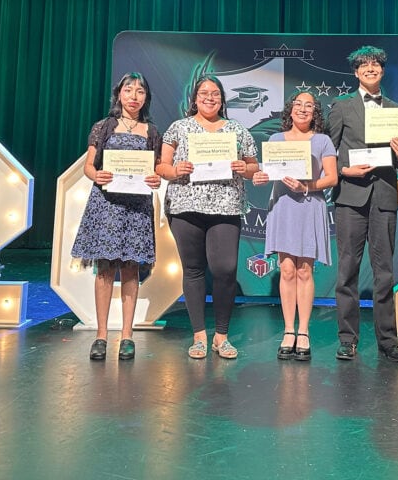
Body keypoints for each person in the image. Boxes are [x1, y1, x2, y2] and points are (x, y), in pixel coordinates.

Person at [155, 75, 259, 360]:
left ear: (222, 99)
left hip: (226, 205)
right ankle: (200, 336)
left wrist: (244, 168)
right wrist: (175, 171)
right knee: (193, 269)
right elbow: (161, 166)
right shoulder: (179, 128)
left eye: (215, 93)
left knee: (225, 268)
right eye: (204, 93)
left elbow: (254, 167)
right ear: (195, 98)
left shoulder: (237, 130)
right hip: (185, 206)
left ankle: (221, 336)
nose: (209, 97)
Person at [326, 46, 398, 363]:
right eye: (364, 65)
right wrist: (343, 170)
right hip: (350, 195)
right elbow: (327, 151)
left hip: (384, 195)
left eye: (375, 64)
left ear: (383, 70)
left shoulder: (397, 111)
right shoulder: (341, 106)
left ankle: (388, 341)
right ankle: (347, 339)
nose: (370, 69)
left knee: (384, 272)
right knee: (347, 270)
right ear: (356, 72)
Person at [70, 72, 163, 362]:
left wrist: (155, 179)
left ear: (146, 98)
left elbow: (157, 168)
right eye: (128, 90)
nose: (134, 96)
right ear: (119, 94)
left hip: (137, 208)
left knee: (131, 270)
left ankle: (126, 336)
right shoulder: (103, 127)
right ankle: (101, 335)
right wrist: (96, 174)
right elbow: (89, 165)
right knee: (105, 269)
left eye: (140, 91)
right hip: (106, 204)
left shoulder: (151, 131)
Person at [252, 91, 338, 362]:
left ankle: (304, 331)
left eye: (308, 105)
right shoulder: (276, 140)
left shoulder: (323, 140)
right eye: (298, 104)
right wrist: (260, 177)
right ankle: (288, 330)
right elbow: (269, 173)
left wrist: (307, 186)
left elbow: (332, 178)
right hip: (283, 206)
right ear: (290, 110)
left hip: (310, 205)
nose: (303, 109)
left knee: (304, 270)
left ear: (315, 113)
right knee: (287, 270)